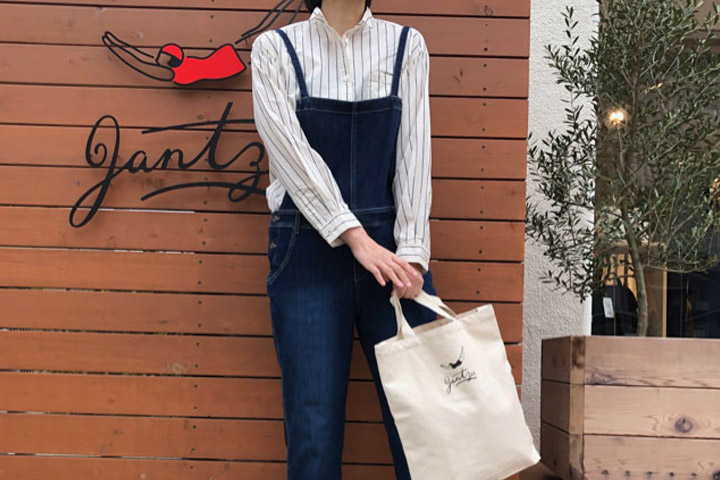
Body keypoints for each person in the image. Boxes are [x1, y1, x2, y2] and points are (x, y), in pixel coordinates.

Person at [251, 0, 437, 478]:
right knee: (313, 430)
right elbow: (290, 156)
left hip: (393, 253)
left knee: (425, 429)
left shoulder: (405, 46)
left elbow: (415, 153)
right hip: (306, 249)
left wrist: (413, 253)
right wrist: (354, 236)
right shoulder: (275, 49)